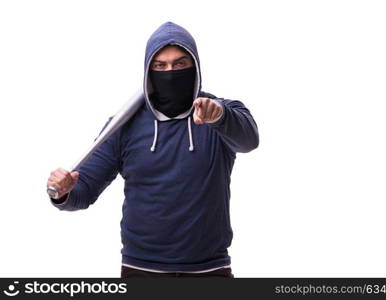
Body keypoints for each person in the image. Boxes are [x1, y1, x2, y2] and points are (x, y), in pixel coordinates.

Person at [47, 21, 259, 278]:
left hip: (211, 269)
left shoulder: (220, 113)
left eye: (180, 64)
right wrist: (62, 192)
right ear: (149, 71)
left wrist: (220, 116)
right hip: (141, 270)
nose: (170, 72)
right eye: (161, 65)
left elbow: (249, 141)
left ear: (195, 66)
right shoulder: (124, 125)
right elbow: (81, 192)